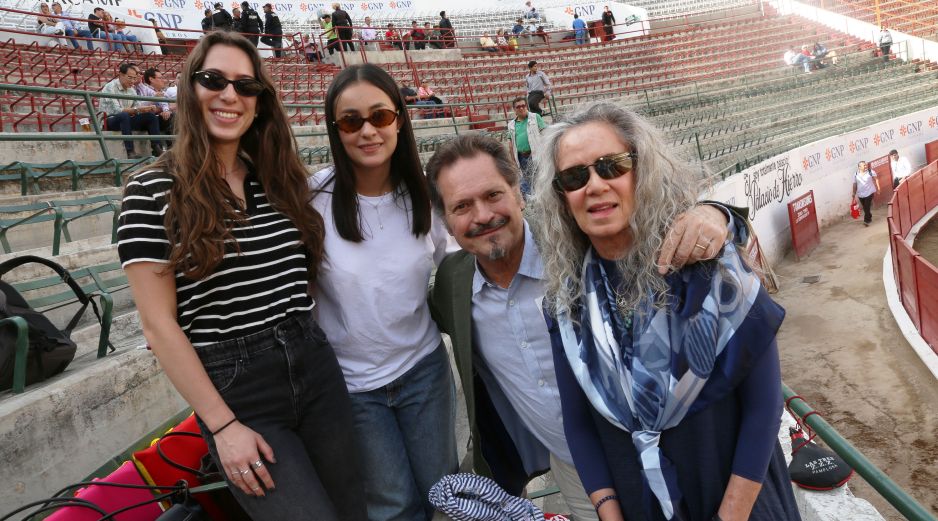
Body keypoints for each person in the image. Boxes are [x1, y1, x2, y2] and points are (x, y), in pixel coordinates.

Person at [117, 31, 367, 520]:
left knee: (354, 512)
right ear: (190, 89)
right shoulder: (149, 190)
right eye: (214, 80)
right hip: (239, 389)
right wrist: (223, 426)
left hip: (314, 366)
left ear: (259, 102)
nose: (230, 95)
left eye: (246, 86)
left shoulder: (276, 177)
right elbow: (158, 327)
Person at [424, 133, 737, 521]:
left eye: (493, 195)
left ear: (519, 193)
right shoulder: (451, 285)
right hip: (575, 475)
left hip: (663, 452)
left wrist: (715, 213)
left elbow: (666, 226)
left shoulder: (580, 238)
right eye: (462, 206)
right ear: (447, 222)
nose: (483, 216)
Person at [530, 102, 802, 521]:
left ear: (643, 172)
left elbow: (764, 407)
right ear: (562, 198)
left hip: (741, 504)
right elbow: (579, 425)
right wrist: (609, 512)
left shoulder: (711, 268)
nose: (595, 185)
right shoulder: (566, 305)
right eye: (574, 176)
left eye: (612, 166)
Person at [310, 63, 457, 521]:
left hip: (423, 371)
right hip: (354, 387)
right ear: (337, 130)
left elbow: (461, 264)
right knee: (393, 506)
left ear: (400, 119)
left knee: (446, 494)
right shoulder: (311, 196)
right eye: (351, 121)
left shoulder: (426, 196)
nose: (368, 131)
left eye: (380, 116)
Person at [100, 63, 164, 158]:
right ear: (121, 75)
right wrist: (137, 110)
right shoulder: (110, 87)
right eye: (130, 78)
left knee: (150, 116)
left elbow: (137, 107)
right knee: (124, 115)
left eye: (134, 78)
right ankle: (130, 152)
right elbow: (117, 110)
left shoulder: (132, 90)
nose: (133, 81)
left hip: (127, 120)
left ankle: (157, 148)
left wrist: (145, 109)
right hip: (110, 120)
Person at [507, 96, 546, 195]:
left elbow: (545, 133)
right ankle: (533, 201)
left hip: (535, 155)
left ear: (526, 106)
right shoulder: (511, 124)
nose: (521, 108)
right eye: (518, 107)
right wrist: (513, 161)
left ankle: (539, 198)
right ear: (514, 109)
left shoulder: (535, 117)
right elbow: (511, 144)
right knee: (527, 181)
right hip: (521, 157)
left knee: (538, 179)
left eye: (523, 106)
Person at [137, 67, 175, 139]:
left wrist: (166, 111)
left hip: (157, 118)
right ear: (151, 79)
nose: (163, 80)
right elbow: (139, 105)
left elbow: (168, 104)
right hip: (146, 118)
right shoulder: (143, 89)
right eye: (160, 78)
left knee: (174, 115)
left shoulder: (162, 92)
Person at [853, 160, 880, 226]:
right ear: (859, 167)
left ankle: (866, 220)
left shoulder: (871, 172)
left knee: (867, 206)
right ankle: (869, 216)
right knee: (865, 207)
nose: (866, 166)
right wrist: (854, 193)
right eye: (864, 165)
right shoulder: (856, 174)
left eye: (866, 165)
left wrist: (878, 188)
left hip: (869, 192)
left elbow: (876, 179)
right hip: (860, 194)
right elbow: (854, 184)